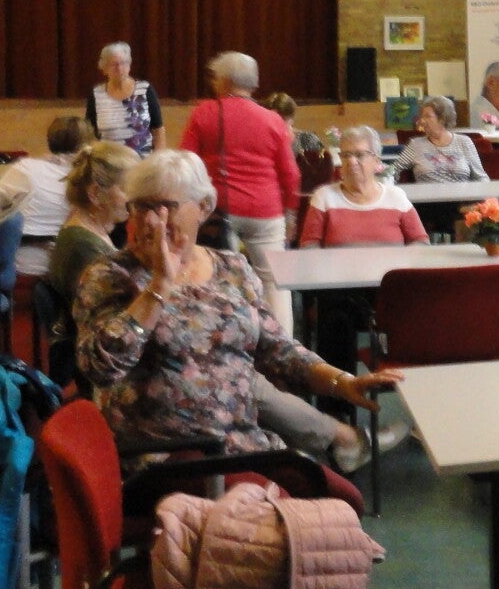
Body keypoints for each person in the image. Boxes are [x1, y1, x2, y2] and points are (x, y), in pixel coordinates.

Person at [74, 151, 402, 476]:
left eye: (165, 207)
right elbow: (99, 367)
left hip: (241, 446)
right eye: (140, 206)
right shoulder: (110, 276)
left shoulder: (232, 268)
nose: (150, 221)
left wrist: (342, 382)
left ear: (203, 207)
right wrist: (159, 285)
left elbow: (278, 350)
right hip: (165, 459)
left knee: (337, 499)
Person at [178, 51, 303, 279]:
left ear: (224, 81)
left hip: (219, 210)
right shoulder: (273, 119)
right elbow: (291, 174)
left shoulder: (204, 113)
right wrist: (290, 214)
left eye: (215, 78)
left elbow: (185, 163)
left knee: (221, 278)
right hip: (266, 211)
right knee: (274, 280)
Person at [44, 141, 140, 388]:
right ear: (96, 193)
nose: (134, 198)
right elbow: (114, 322)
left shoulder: (87, 229)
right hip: (103, 367)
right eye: (127, 189)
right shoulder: (84, 249)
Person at [0, 115, 91, 278]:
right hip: (69, 268)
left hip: (21, 263)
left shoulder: (27, 169)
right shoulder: (90, 178)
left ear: (50, 140)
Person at [299, 126, 430, 248]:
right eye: (346, 155)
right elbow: (308, 246)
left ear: (376, 160)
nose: (351, 161)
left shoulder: (396, 197)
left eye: (360, 155)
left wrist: (403, 261)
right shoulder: (324, 197)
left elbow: (421, 241)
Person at [84, 42, 165, 155]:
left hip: (143, 161)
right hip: (109, 160)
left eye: (124, 63)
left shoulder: (145, 89)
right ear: (104, 68)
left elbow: (158, 130)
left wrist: (158, 159)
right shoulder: (97, 94)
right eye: (114, 64)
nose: (119, 68)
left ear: (129, 65)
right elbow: (89, 133)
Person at [390, 96, 487, 183]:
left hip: (462, 196)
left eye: (427, 116)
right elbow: (392, 172)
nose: (422, 121)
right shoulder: (416, 145)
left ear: (443, 119)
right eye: (421, 117)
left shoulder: (464, 142)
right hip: (428, 197)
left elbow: (481, 177)